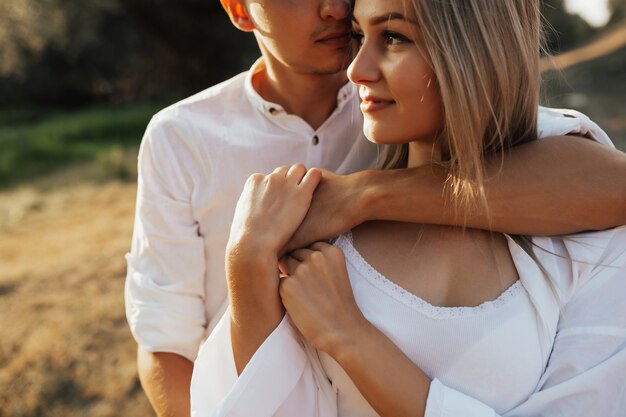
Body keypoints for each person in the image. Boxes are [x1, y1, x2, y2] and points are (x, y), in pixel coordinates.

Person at [125, 0, 626, 416]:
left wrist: (365, 195)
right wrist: (248, 266)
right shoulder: (182, 138)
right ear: (240, 9)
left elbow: (603, 179)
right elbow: (164, 340)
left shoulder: (564, 219)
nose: (332, 11)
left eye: (390, 38)